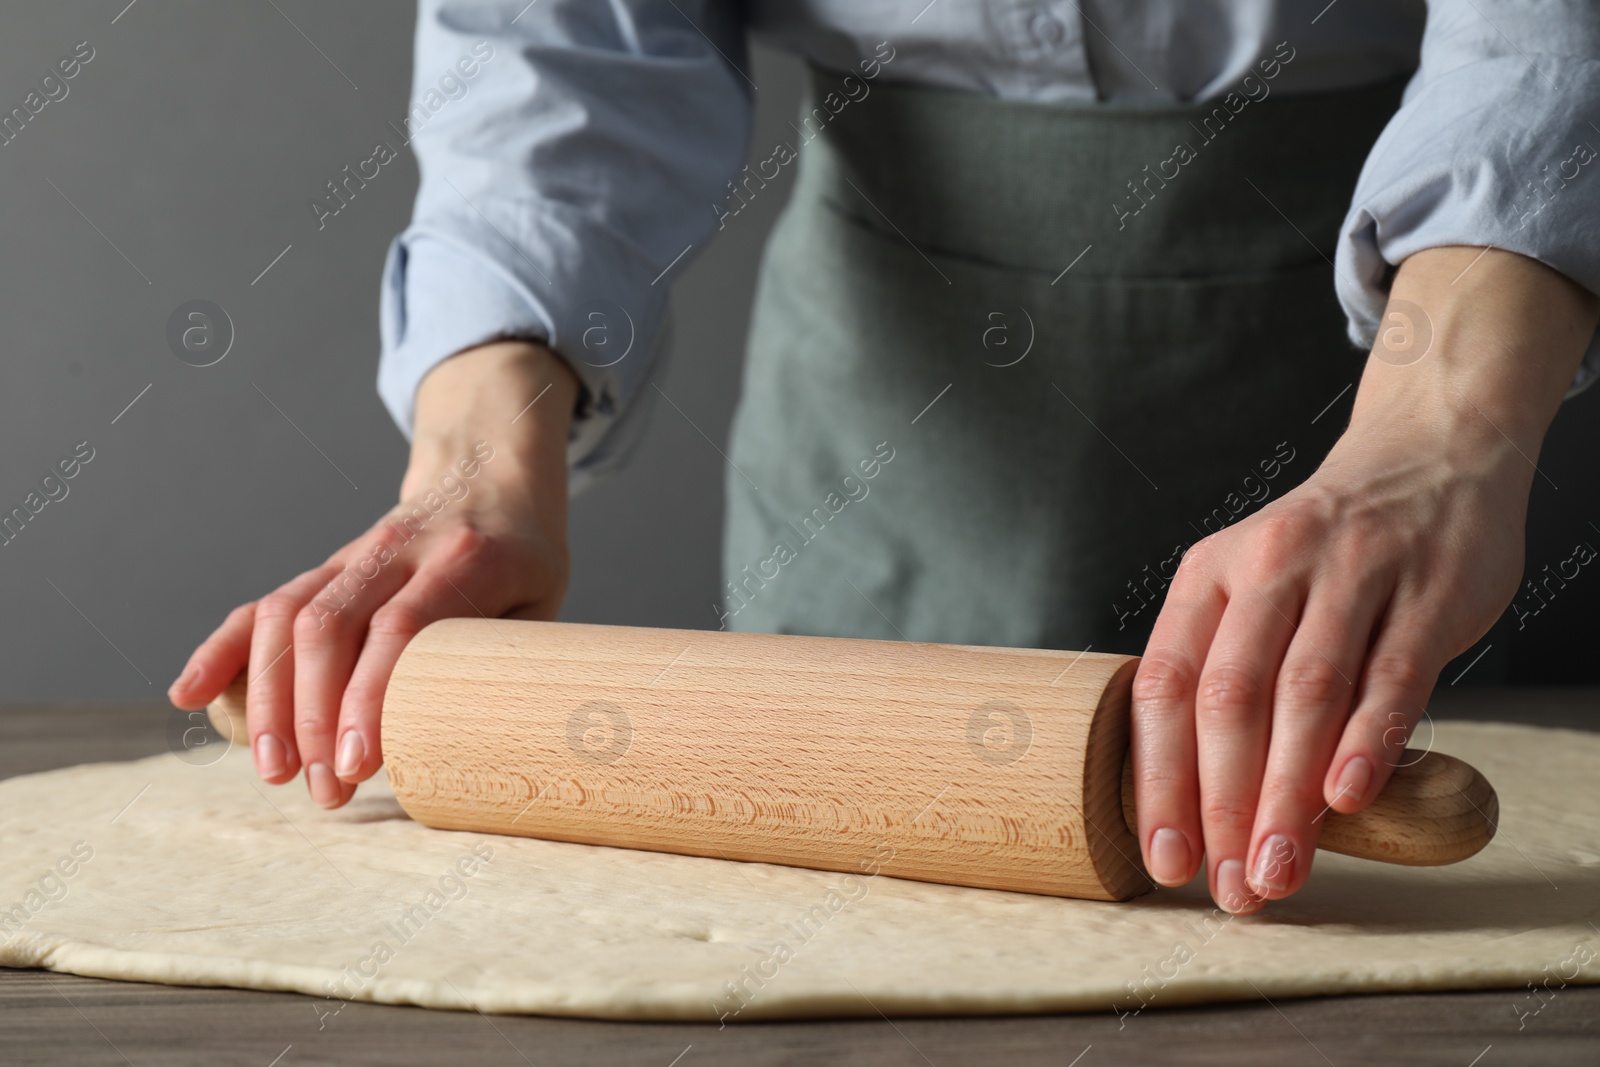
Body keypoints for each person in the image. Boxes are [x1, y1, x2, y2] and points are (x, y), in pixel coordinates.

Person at [168, 2, 1600, 916]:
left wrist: (1439, 437)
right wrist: (475, 466)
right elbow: (560, 48)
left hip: (1454, 372)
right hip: (890, 443)